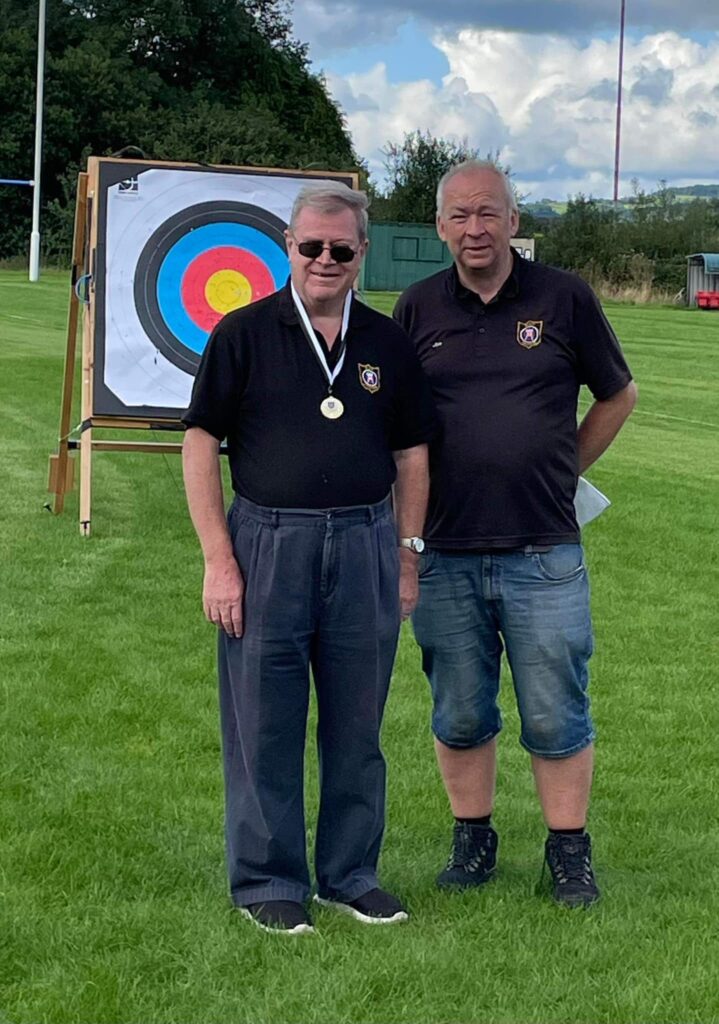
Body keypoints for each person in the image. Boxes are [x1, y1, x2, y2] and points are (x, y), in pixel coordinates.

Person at [182, 181, 436, 935]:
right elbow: (200, 444)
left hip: (365, 541)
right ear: (287, 248)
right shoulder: (243, 332)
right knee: (264, 720)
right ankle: (268, 879)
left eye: (341, 249)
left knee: (358, 724)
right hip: (269, 542)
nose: (325, 260)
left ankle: (350, 875)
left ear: (362, 254)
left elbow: (412, 454)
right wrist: (217, 560)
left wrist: (407, 553)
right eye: (310, 246)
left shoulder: (387, 341)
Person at [394, 160, 637, 907]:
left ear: (513, 220)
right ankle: (473, 840)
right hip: (443, 549)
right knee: (459, 709)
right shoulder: (414, 308)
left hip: (543, 549)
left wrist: (563, 466)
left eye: (488, 213)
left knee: (555, 707)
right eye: (460, 216)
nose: (475, 229)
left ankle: (568, 853)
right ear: (440, 226)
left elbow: (616, 394)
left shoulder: (563, 297)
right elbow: (397, 426)